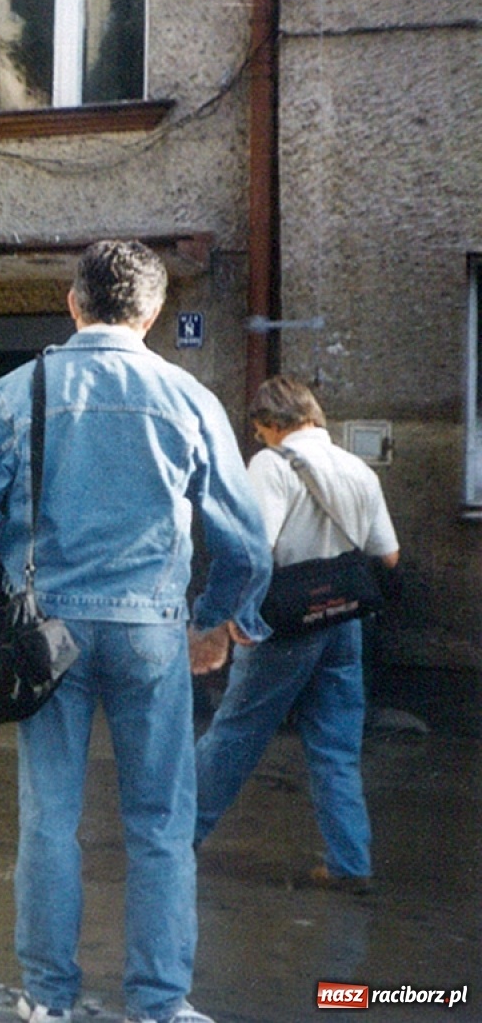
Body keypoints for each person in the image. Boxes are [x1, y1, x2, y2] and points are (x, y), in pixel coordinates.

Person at [0, 240, 272, 1023]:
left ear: (72, 303)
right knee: (160, 823)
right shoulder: (187, 397)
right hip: (153, 630)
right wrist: (220, 620)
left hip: (47, 633)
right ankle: (159, 1004)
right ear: (151, 314)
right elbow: (246, 541)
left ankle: (48, 999)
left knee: (49, 818)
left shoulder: (19, 393)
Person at [194, 376, 399, 893]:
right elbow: (388, 556)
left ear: (269, 424)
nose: (261, 439)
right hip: (344, 623)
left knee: (235, 734)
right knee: (336, 749)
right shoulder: (357, 468)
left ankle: (174, 837)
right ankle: (349, 862)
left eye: (260, 431)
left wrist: (229, 618)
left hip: (284, 624)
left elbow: (252, 549)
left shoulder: (271, 463)